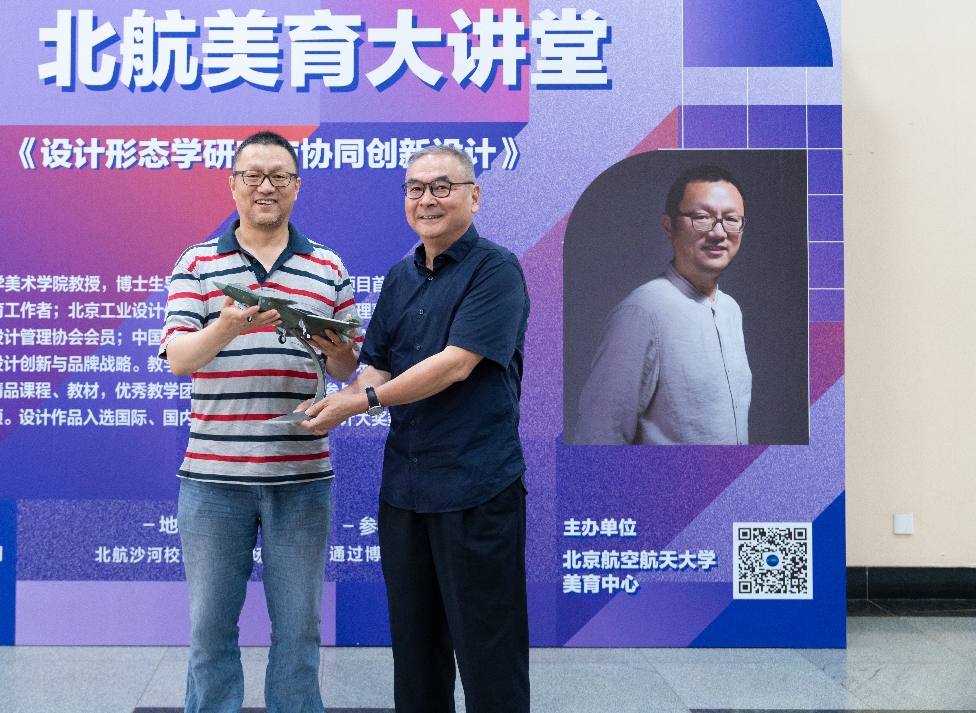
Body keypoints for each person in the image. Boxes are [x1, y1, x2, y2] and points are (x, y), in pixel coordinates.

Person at [298, 144, 530, 713]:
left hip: (477, 486)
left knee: (489, 654)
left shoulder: (496, 269)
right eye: (415, 188)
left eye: (442, 187)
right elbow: (376, 364)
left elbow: (456, 364)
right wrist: (336, 395)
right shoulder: (401, 276)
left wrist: (362, 402)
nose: (427, 199)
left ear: (474, 197)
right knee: (416, 651)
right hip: (406, 489)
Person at [160, 130, 359, 713]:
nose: (265, 187)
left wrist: (335, 349)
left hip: (301, 476)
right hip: (212, 477)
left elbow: (348, 366)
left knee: (299, 630)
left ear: (296, 187)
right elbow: (178, 359)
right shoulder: (198, 262)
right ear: (233, 184)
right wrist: (226, 326)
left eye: (279, 176)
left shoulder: (327, 266)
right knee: (209, 630)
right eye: (253, 176)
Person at [570, 164, 751, 445]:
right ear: (669, 226)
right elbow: (598, 435)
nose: (718, 232)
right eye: (702, 217)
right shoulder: (642, 312)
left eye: (731, 219)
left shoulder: (731, 310)